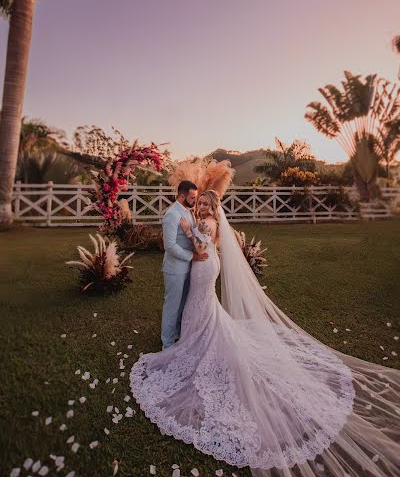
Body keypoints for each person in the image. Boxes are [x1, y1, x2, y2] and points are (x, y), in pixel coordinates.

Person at [130, 161, 400, 477]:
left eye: (205, 203)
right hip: (205, 269)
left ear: (213, 207)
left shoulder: (207, 225)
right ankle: (194, 339)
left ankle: (195, 344)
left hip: (203, 268)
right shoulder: (204, 219)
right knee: (201, 309)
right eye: (199, 202)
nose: (201, 206)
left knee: (198, 307)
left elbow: (201, 249)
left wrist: (189, 231)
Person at [160, 180, 208, 349]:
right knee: (172, 306)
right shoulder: (172, 215)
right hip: (175, 268)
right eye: (193, 197)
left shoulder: (188, 211)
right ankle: (167, 343)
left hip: (188, 267)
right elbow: (170, 245)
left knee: (183, 304)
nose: (195, 201)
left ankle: (179, 334)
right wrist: (192, 256)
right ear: (182, 196)